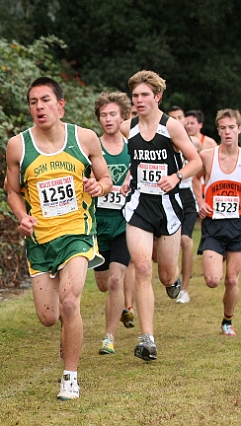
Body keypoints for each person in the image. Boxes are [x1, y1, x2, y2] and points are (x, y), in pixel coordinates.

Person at [5, 77, 112, 400]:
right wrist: (22, 216)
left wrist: (99, 187)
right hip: (40, 240)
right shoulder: (18, 146)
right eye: (34, 101)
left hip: (76, 232)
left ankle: (70, 376)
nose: (39, 107)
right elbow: (11, 190)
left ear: (60, 105)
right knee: (50, 317)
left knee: (69, 301)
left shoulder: (84, 138)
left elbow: (104, 177)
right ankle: (68, 331)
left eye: (46, 100)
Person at [120, 70, 202, 362]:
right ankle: (147, 339)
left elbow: (196, 161)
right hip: (139, 204)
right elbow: (128, 159)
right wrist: (129, 176)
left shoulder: (173, 128)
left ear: (157, 97)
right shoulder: (126, 128)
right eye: (135, 96)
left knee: (166, 273)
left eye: (144, 95)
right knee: (142, 268)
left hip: (168, 205)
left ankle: (174, 282)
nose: (139, 100)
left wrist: (176, 176)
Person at [93, 91, 133, 354]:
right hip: (97, 224)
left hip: (125, 222)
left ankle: (109, 337)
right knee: (104, 283)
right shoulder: (91, 147)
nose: (108, 119)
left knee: (116, 281)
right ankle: (119, 307)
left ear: (123, 117)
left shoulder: (134, 146)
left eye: (113, 114)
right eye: (103, 115)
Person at [196, 108, 241, 337]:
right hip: (213, 225)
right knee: (213, 281)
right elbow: (195, 178)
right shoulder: (207, 155)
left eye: (232, 127)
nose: (227, 132)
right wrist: (200, 201)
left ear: (239, 129)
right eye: (223, 128)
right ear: (218, 130)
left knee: (232, 281)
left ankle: (227, 321)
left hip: (238, 227)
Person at [168, 105, 202, 304]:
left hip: (187, 195)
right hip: (168, 195)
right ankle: (174, 278)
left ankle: (185, 289)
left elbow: (204, 159)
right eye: (173, 118)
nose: (178, 121)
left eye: (180, 117)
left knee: (186, 241)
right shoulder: (162, 141)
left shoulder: (194, 143)